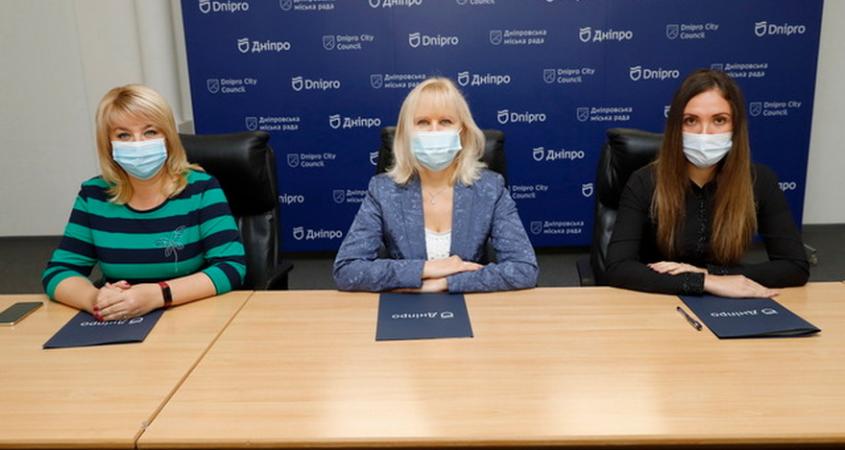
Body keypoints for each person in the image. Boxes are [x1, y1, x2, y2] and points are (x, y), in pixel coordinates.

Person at [41, 84, 246, 321]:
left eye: (150, 132)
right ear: (108, 144)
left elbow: (231, 267)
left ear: (168, 137)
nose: (138, 143)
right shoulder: (94, 195)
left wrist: (158, 295)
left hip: (190, 315)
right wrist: (97, 300)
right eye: (123, 135)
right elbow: (59, 271)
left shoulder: (201, 188)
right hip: (119, 320)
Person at [604, 69, 809, 298]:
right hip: (658, 301)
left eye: (719, 120)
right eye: (691, 121)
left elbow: (795, 267)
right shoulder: (644, 181)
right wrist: (702, 282)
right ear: (676, 127)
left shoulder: (759, 181)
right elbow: (618, 268)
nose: (704, 134)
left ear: (736, 127)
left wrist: (713, 275)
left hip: (729, 303)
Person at [333, 77, 538, 292]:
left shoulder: (490, 188)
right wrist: (427, 269)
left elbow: (524, 269)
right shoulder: (382, 190)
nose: (434, 131)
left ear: (463, 131)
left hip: (470, 305)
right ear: (406, 133)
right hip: (403, 308)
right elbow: (347, 270)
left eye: (445, 121)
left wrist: (443, 284)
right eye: (423, 122)